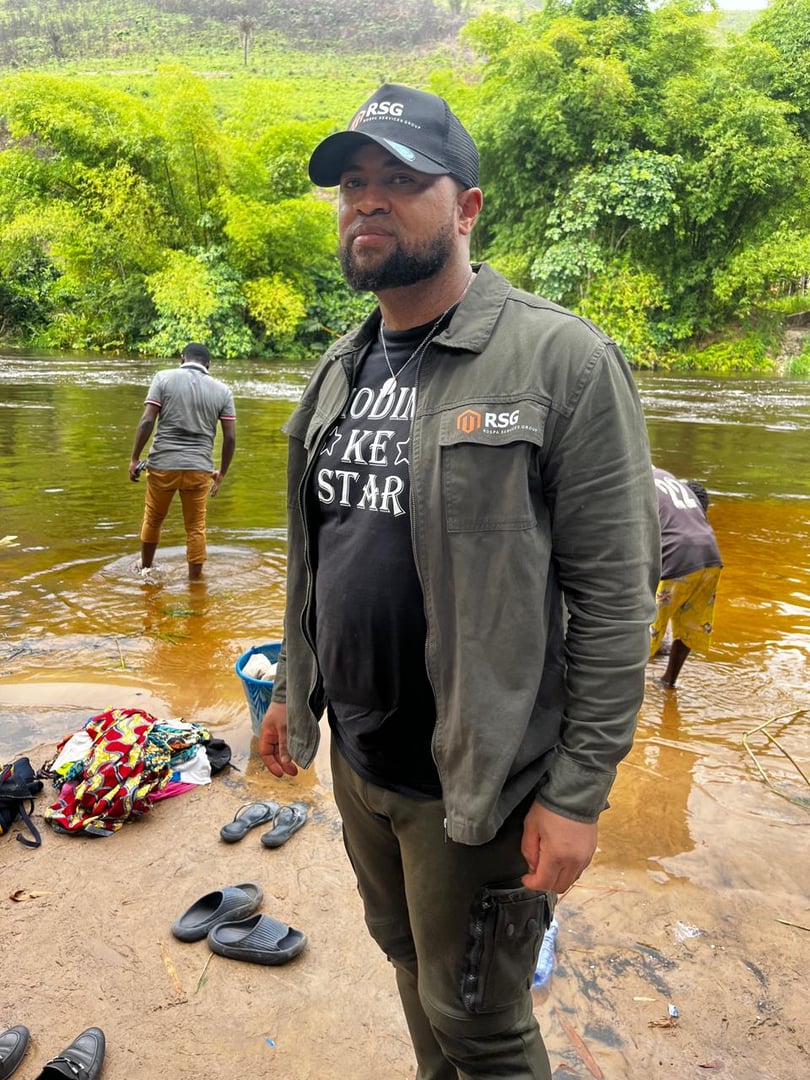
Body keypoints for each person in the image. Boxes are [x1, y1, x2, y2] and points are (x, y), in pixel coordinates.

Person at [259, 84, 659, 1079]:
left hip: (475, 787)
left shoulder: (562, 361)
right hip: (361, 765)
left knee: (481, 1019)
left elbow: (616, 598)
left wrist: (578, 795)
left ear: (468, 206)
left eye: (401, 180)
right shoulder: (338, 369)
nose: (368, 202)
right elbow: (318, 556)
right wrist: (289, 702)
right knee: (409, 964)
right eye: (354, 183)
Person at [129, 342, 236, 581]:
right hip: (199, 469)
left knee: (153, 519)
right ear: (208, 364)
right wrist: (222, 473)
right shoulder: (222, 391)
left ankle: (146, 568)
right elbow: (229, 437)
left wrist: (135, 458)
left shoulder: (163, 379)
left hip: (162, 465)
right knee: (196, 527)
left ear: (181, 358)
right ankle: (195, 583)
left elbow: (148, 421)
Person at [650, 466, 723, 687]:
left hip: (677, 556)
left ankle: (626, 692)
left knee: (647, 628)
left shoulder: (637, 480)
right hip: (710, 555)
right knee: (691, 622)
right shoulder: (669, 477)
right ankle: (668, 681)